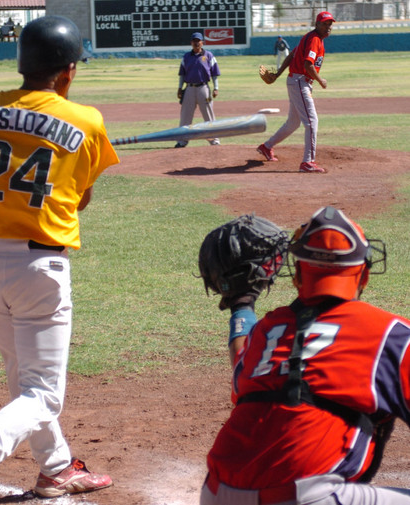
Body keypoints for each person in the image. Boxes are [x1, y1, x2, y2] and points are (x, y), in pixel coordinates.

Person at [0, 15, 119, 505]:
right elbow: (80, 200)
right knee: (44, 393)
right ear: (69, 71)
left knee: (22, 374)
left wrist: (4, 134)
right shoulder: (85, 121)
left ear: (20, 62)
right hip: (38, 270)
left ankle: (56, 468)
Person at [200, 206, 410, 505]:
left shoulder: (265, 330)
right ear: (363, 275)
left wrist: (241, 305)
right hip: (308, 498)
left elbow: (242, 376)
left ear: (297, 274)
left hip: (216, 494)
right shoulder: (392, 334)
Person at [257, 12, 335, 173]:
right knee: (312, 122)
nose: (328, 27)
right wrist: (321, 80)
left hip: (296, 81)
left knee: (293, 123)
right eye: (324, 24)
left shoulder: (310, 37)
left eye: (330, 24)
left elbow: (292, 55)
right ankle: (308, 162)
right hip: (300, 82)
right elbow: (308, 65)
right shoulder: (314, 39)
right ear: (317, 24)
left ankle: (267, 146)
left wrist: (278, 74)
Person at [175, 31, 221, 148]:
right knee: (185, 115)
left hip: (203, 87)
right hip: (189, 88)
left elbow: (214, 73)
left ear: (202, 42)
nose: (196, 43)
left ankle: (214, 139)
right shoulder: (186, 57)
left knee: (208, 114)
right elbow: (182, 74)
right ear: (191, 43)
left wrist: (216, 88)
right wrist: (180, 88)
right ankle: (182, 141)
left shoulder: (209, 56)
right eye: (194, 41)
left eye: (198, 41)